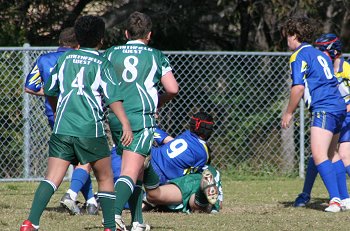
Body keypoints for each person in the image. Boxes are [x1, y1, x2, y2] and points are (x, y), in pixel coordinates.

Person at [20, 15, 133, 231]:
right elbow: (112, 97)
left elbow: (50, 90)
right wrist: (125, 123)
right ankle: (110, 226)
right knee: (106, 177)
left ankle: (30, 223)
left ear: (78, 38)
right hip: (90, 129)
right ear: (101, 39)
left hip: (62, 128)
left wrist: (56, 109)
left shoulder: (64, 59)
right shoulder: (102, 63)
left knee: (51, 178)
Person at [103, 11, 178, 231]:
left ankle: (137, 222)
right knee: (130, 170)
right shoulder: (156, 56)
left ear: (126, 33)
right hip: (140, 118)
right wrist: (157, 102)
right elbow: (173, 88)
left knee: (138, 170)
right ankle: (113, 217)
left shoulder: (110, 53)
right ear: (149, 34)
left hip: (116, 117)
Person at [24, 27, 99, 216]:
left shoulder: (44, 59)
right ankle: (76, 197)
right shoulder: (81, 60)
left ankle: (90, 201)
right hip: (78, 114)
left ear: (60, 42)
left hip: (54, 116)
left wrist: (52, 95)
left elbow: (30, 87)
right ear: (78, 43)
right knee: (85, 158)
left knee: (75, 159)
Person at [281, 17, 347, 212]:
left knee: (319, 155)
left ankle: (335, 200)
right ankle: (345, 198)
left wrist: (289, 112)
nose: (287, 40)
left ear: (295, 35)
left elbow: (298, 87)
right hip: (338, 106)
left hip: (325, 107)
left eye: (288, 36)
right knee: (332, 154)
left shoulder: (298, 55)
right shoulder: (320, 54)